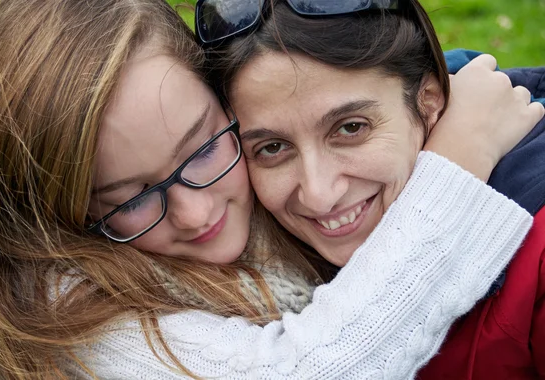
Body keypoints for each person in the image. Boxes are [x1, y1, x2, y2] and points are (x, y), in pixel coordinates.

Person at [0, 0, 540, 379]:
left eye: (203, 149)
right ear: (60, 212)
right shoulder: (64, 323)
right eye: (130, 199)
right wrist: (457, 160)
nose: (197, 211)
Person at [200, 0, 545, 378]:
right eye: (272, 148)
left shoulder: (537, 253)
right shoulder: (217, 261)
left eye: (351, 128)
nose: (319, 194)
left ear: (428, 101)